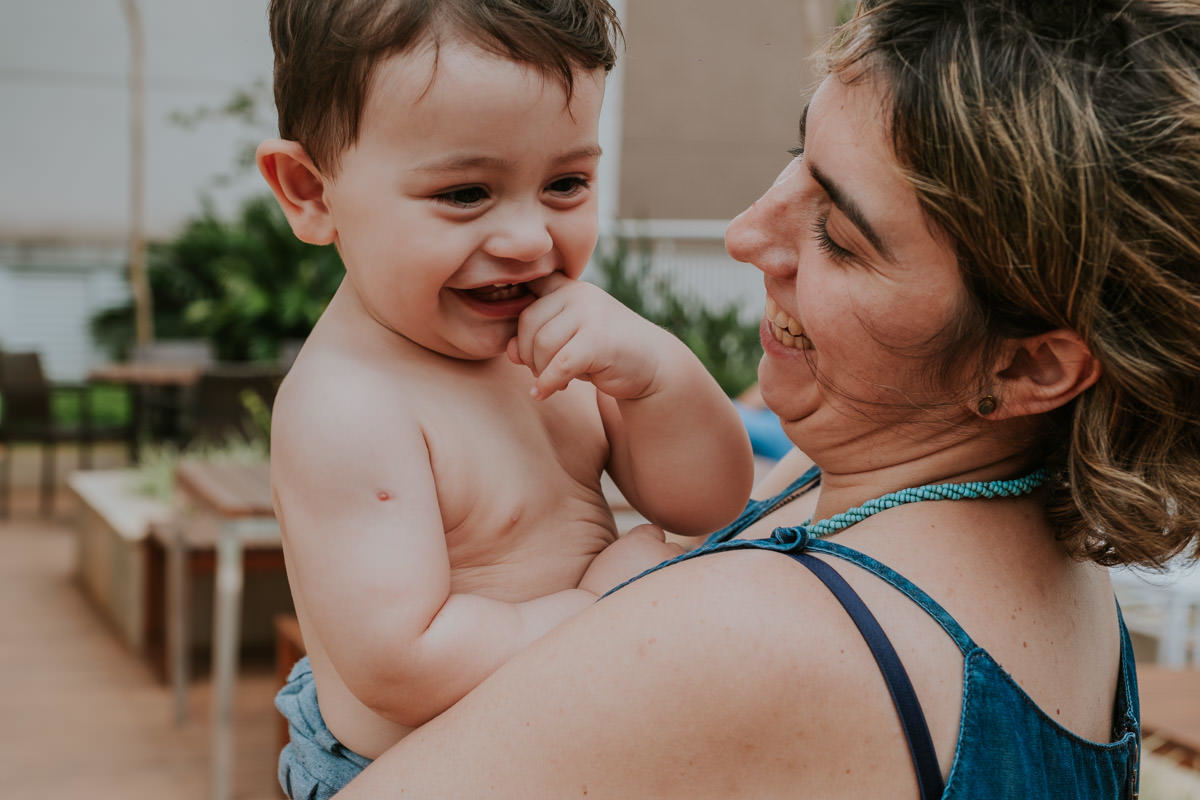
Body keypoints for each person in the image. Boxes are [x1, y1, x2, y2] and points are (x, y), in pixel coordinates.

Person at [334, 0, 1200, 796]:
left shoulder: (764, 636)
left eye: (843, 237)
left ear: (1030, 370)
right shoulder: (1051, 563)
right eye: (799, 159)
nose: (745, 233)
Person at [255, 1, 756, 798]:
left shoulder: (552, 342)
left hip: (555, 742)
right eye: (464, 193)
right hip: (416, 772)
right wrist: (598, 608)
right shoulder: (350, 407)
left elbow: (705, 501)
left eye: (565, 183)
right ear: (312, 192)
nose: (527, 240)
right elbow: (404, 663)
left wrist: (658, 377)